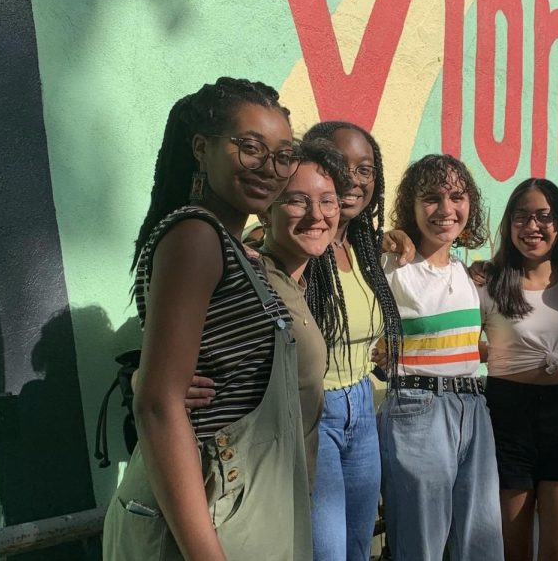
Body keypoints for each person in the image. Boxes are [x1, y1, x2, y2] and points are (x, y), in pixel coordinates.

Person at [103, 77, 312, 560]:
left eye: (284, 155)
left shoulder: (238, 248)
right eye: (250, 147)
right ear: (202, 148)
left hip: (240, 499)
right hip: (207, 508)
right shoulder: (197, 236)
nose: (269, 168)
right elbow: (157, 405)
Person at [377, 154, 503, 561]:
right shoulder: (394, 266)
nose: (446, 209)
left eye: (457, 196)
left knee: (482, 543)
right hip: (417, 409)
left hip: (473, 408)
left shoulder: (467, 273)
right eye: (431, 198)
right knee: (421, 544)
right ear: (411, 207)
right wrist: (383, 237)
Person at [478, 178, 558, 561]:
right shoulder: (487, 282)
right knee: (513, 554)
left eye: (544, 216)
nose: (532, 226)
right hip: (504, 419)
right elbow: (460, 341)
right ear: (509, 223)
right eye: (522, 216)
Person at [301, 121, 403, 561]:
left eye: (365, 169)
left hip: (362, 407)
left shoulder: (365, 248)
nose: (353, 180)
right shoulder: (294, 243)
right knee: (326, 552)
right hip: (313, 413)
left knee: (358, 546)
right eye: (339, 165)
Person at [255, 138, 352, 488]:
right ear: (265, 210)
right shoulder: (252, 283)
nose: (317, 215)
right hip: (256, 496)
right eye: (297, 200)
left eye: (328, 201)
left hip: (291, 488)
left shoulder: (298, 283)